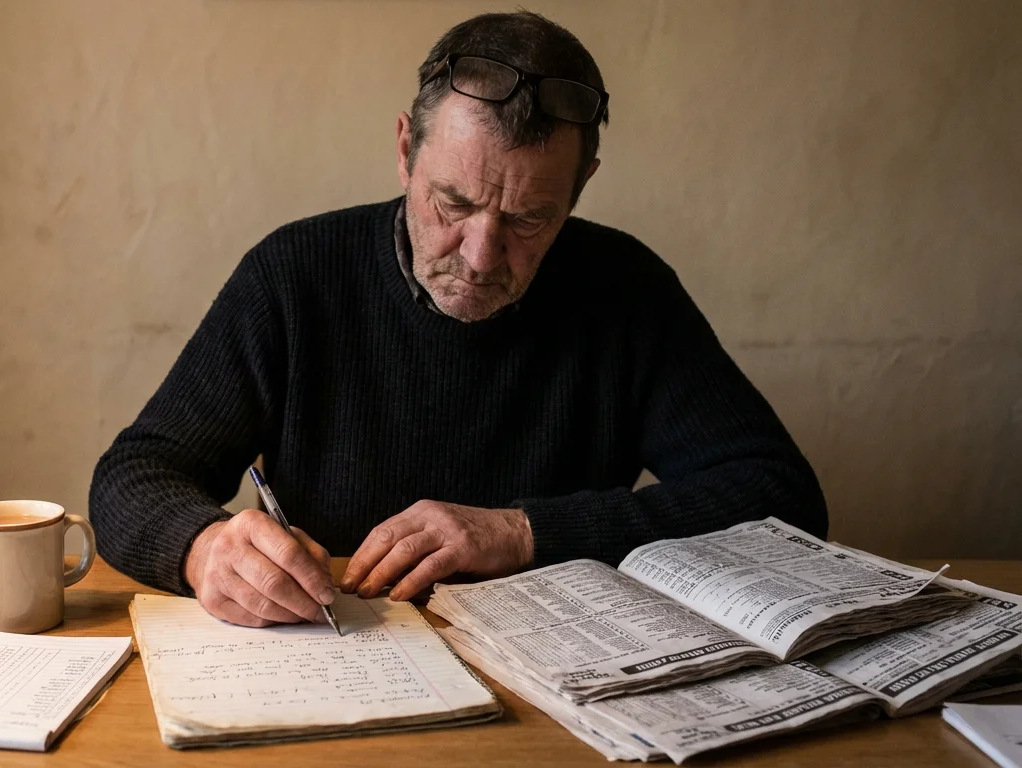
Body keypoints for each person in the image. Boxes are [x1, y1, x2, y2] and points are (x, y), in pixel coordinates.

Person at [88, 11, 827, 628]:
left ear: (580, 188)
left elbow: (781, 497)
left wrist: (522, 533)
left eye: (530, 218)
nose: (479, 256)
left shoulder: (626, 289)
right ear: (407, 150)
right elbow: (133, 476)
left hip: (567, 681)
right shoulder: (295, 275)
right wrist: (202, 548)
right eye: (455, 204)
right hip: (332, 655)